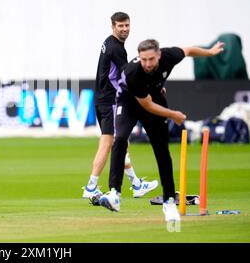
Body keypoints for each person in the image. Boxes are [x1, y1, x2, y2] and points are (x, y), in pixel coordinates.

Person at [94, 39, 224, 222]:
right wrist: (173, 115)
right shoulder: (133, 73)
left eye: (151, 59)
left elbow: (187, 50)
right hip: (129, 101)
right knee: (120, 138)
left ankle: (169, 202)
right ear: (139, 57)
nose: (147, 64)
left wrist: (209, 53)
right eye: (144, 59)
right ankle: (114, 193)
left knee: (161, 149)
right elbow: (146, 105)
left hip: (154, 97)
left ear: (159, 55)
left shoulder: (170, 56)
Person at [83, 12, 158, 200]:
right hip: (109, 102)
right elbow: (126, 76)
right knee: (108, 144)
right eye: (120, 26)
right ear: (113, 26)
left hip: (103, 100)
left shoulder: (109, 42)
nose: (124, 29)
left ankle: (136, 183)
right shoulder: (116, 48)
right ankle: (91, 186)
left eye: (127, 25)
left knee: (120, 143)